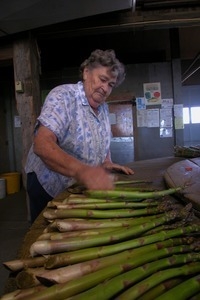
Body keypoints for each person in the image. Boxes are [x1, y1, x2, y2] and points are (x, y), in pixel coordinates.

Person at [25, 49, 134, 223]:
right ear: (86, 72)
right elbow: (42, 144)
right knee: (44, 231)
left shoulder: (103, 108)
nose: (105, 88)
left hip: (77, 186)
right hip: (49, 185)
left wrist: (106, 162)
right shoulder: (64, 97)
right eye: (102, 80)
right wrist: (84, 172)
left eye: (111, 84)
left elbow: (102, 140)